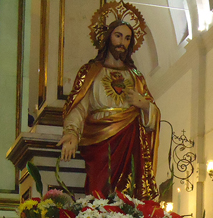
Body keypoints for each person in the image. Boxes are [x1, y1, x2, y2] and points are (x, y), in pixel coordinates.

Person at [57, 6, 160, 201]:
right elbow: (79, 106)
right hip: (99, 141)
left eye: (127, 38)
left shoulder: (135, 76)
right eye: (118, 36)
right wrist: (71, 132)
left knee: (124, 197)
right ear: (108, 38)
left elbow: (152, 117)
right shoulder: (91, 71)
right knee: (98, 191)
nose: (122, 43)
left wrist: (144, 105)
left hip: (128, 139)